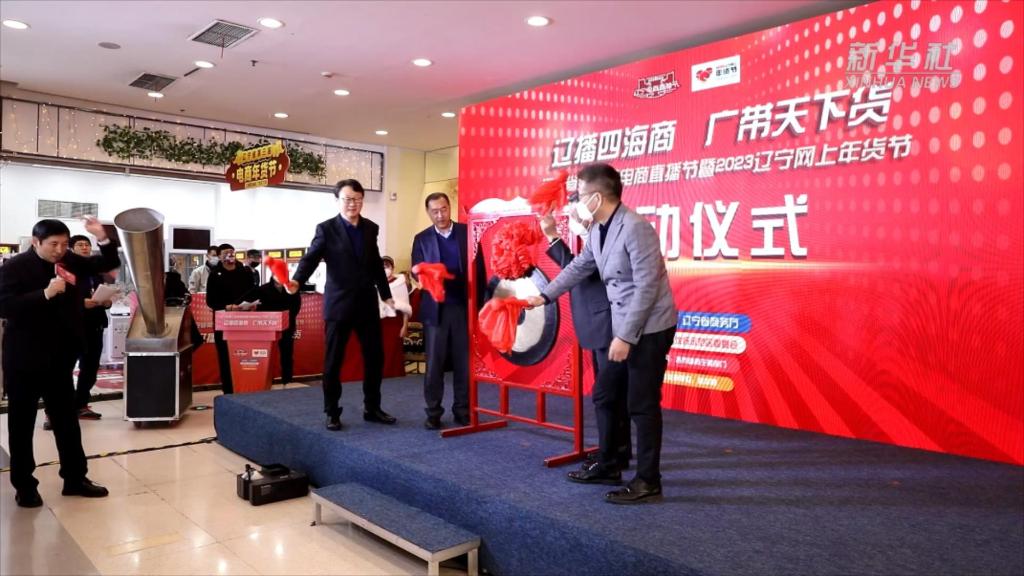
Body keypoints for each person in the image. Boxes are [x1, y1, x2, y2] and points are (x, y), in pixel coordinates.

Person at [526, 163, 676, 504]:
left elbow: (647, 288)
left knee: (641, 404)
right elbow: (580, 266)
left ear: (597, 196)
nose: (576, 201)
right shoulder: (598, 228)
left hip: (649, 327)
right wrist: (545, 295)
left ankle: (648, 481)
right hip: (624, 324)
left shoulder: (635, 227)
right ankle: (609, 464)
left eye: (579, 195)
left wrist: (625, 337)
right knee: (606, 395)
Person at [0, 217, 119, 507]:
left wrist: (103, 237)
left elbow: (106, 263)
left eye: (64, 244)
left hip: (60, 357)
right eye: (53, 244)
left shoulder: (69, 261)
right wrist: (44, 294)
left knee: (66, 422)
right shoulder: (14, 267)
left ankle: (75, 478)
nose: (59, 250)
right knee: (21, 424)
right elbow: (4, 305)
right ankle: (25, 485)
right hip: (24, 359)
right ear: (36, 242)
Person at [287, 179, 397, 431]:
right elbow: (311, 258)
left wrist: (385, 294)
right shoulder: (326, 229)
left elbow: (375, 264)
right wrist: (297, 280)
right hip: (338, 305)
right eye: (347, 199)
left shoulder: (370, 228)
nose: (352, 204)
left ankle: (372, 408)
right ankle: (332, 411)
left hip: (366, 304)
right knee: (333, 361)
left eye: (357, 199)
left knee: (374, 358)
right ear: (337, 201)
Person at [538, 212, 632, 479]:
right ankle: (616, 451)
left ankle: (609, 461)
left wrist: (552, 236)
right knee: (613, 395)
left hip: (607, 325)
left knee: (608, 396)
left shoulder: (606, 235)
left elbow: (578, 271)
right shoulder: (598, 235)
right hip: (599, 323)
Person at [411, 192, 469, 430]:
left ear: (449, 207)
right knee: (434, 363)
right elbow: (415, 269)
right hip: (435, 310)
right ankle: (433, 412)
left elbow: (479, 266)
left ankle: (463, 411)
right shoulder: (422, 238)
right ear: (428, 212)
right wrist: (424, 275)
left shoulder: (466, 232)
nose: (440, 215)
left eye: (443, 209)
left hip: (462, 306)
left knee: (463, 363)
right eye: (434, 211)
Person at [69, 234, 111, 420]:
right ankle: (56, 410)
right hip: (72, 326)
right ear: (71, 249)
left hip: (95, 324)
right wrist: (80, 303)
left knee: (90, 367)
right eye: (80, 245)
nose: (85, 247)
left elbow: (99, 292)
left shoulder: (95, 272)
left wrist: (107, 301)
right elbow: (58, 299)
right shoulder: (65, 270)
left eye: (87, 244)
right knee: (63, 368)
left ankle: (81, 404)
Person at [206, 243, 256, 394]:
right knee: (225, 357)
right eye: (226, 253)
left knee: (245, 354)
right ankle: (228, 391)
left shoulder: (245, 271)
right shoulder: (215, 274)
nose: (230, 255)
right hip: (224, 321)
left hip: (244, 320)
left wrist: (251, 304)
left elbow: (253, 293)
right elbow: (211, 301)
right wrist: (227, 307)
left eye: (232, 252)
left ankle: (246, 387)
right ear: (219, 256)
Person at [239, 276, 301, 385]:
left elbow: (296, 306)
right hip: (267, 328)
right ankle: (266, 381)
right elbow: (244, 301)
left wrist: (287, 318)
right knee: (266, 356)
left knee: (287, 356)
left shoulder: (291, 288)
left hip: (287, 327)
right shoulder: (263, 289)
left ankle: (287, 381)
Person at [379, 256, 412, 338]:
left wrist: (405, 326)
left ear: (393, 268)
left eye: (387, 265)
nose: (384, 268)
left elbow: (406, 308)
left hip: (395, 322)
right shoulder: (376, 284)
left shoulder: (399, 283)